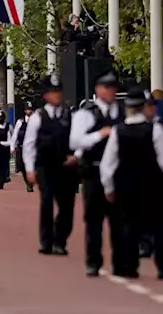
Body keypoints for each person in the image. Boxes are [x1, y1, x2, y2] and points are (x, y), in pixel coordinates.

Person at [101, 86, 163, 279]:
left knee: (127, 225)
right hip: (152, 183)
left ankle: (128, 265)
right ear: (143, 107)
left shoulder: (118, 131)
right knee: (160, 225)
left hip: (126, 184)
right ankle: (162, 265)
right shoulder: (154, 130)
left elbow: (108, 163)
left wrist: (109, 187)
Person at [71, 71, 124, 277]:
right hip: (93, 171)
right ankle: (93, 262)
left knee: (119, 220)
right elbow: (76, 141)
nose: (111, 91)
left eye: (113, 88)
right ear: (97, 90)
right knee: (94, 220)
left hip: (118, 172)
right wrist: (99, 135)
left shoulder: (122, 112)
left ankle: (121, 262)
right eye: (106, 87)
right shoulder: (86, 114)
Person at [23, 75, 77, 256]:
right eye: (52, 92)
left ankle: (59, 240)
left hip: (65, 166)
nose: (56, 96)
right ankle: (46, 242)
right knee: (46, 202)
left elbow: (77, 140)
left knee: (67, 206)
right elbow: (29, 145)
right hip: (45, 167)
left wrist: (76, 156)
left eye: (58, 92)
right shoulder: (38, 117)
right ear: (45, 95)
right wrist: (30, 169)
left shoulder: (68, 115)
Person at [12, 103, 35, 192]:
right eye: (27, 109)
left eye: (30, 109)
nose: (29, 111)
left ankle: (30, 183)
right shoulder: (20, 121)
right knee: (22, 166)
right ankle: (27, 182)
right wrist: (12, 147)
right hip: (22, 147)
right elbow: (15, 135)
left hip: (33, 147)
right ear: (25, 111)